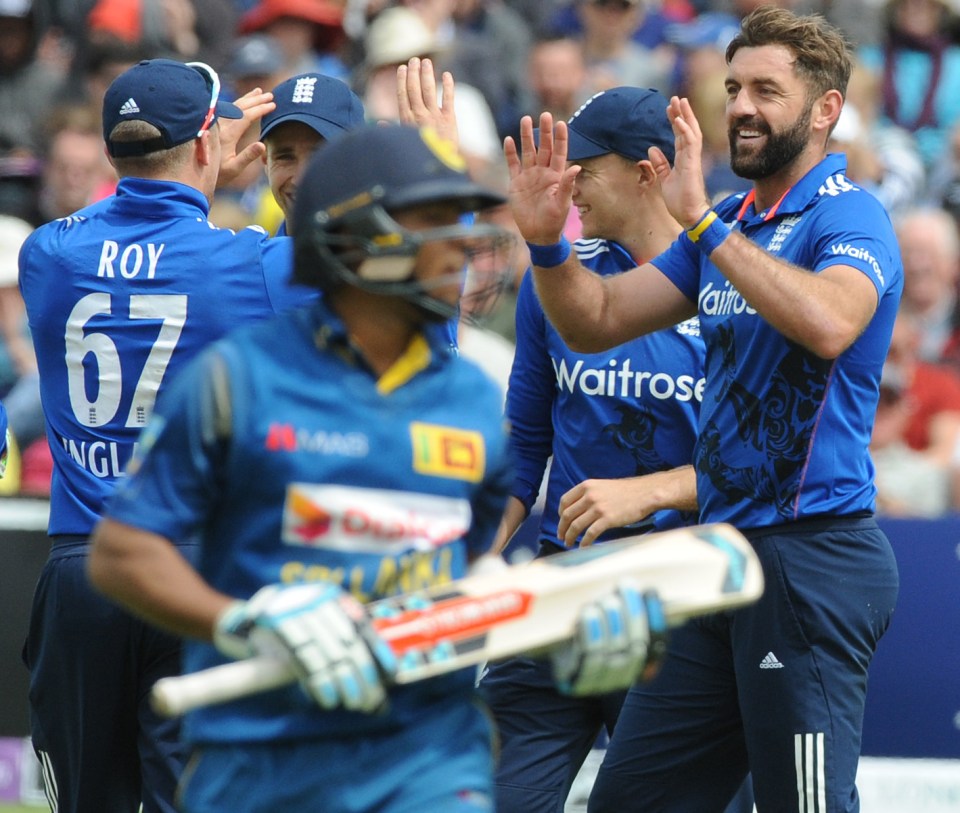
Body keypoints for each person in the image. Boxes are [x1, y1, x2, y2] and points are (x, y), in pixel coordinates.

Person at [86, 122, 664, 813]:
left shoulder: (472, 399)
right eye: (430, 221)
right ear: (354, 241)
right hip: (265, 763)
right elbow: (120, 553)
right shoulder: (237, 379)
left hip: (427, 764)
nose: (460, 244)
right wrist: (242, 619)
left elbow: (464, 571)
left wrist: (565, 640)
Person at [504, 6, 903, 811]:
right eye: (732, 88)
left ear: (825, 109)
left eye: (767, 89)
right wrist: (547, 244)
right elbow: (596, 319)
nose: (743, 106)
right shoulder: (733, 223)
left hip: (810, 558)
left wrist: (705, 222)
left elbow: (829, 321)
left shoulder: (847, 214)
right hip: (719, 563)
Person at [17, 57, 307, 813]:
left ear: (114, 151)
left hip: (83, 571)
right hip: (192, 573)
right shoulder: (255, 264)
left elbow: (137, 239)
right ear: (208, 144)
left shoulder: (46, 254)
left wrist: (205, 174)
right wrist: (238, 186)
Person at [479, 85, 705, 813]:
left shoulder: (729, 286)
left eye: (587, 167)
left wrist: (653, 489)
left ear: (649, 170)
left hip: (682, 599)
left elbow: (764, 467)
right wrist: (481, 548)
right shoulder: (559, 278)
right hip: (562, 585)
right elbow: (526, 443)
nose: (567, 182)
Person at [258, 71, 365, 235]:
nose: (300, 179)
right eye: (285, 157)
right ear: (266, 161)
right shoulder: (255, 258)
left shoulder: (393, 254)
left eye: (320, 156)